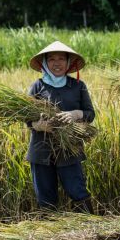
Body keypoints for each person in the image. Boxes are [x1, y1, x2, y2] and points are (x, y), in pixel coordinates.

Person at [27, 41, 95, 212]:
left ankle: (91, 231)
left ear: (68, 62)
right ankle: (50, 235)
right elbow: (25, 116)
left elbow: (90, 114)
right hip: (41, 150)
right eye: (51, 59)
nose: (56, 63)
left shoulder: (78, 86)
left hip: (69, 149)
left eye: (61, 59)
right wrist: (38, 125)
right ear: (45, 63)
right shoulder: (37, 86)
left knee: (77, 191)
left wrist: (76, 114)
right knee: (46, 199)